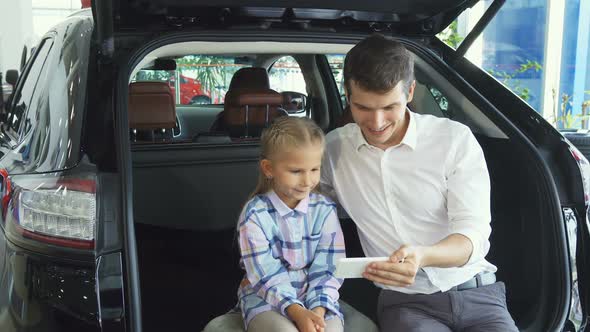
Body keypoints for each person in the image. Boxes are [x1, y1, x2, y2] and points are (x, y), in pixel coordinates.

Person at [320, 34, 519, 331]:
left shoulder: (454, 139)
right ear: (348, 97)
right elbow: (299, 211)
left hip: (479, 295)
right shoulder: (333, 149)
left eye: (389, 107)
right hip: (406, 304)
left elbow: (473, 234)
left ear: (410, 91)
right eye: (363, 108)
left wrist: (423, 256)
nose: (376, 122)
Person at [237, 116, 345, 332]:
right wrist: (296, 311)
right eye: (296, 171)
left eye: (314, 169)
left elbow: (330, 266)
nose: (307, 181)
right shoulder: (255, 215)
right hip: (266, 297)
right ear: (269, 169)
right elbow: (264, 274)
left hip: (316, 297)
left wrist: (318, 310)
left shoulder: (324, 209)